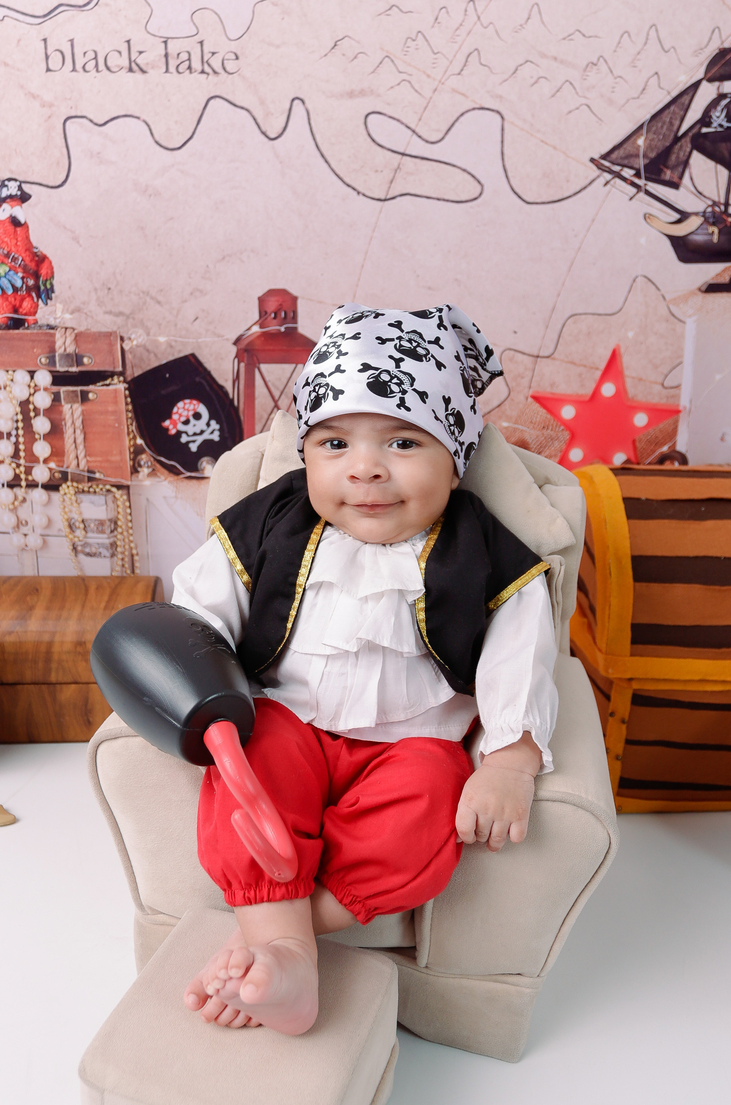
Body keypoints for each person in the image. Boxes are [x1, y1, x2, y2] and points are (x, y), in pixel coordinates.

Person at [171, 305, 558, 1034]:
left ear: (456, 459)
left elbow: (522, 655)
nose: (366, 467)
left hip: (412, 747)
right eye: (335, 442)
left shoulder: (481, 549)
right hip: (289, 721)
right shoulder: (273, 521)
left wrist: (510, 761)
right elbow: (200, 610)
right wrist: (189, 681)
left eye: (404, 442)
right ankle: (284, 955)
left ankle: (281, 940)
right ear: (307, 453)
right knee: (249, 760)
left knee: (432, 798)